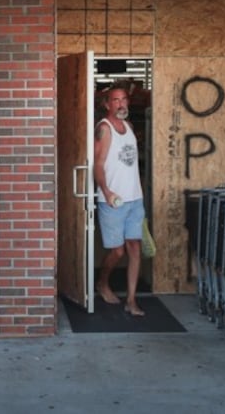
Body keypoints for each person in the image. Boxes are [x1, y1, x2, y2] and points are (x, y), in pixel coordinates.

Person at [93, 85, 146, 316]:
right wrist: (106, 190)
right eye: (116, 100)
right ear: (107, 104)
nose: (121, 104)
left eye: (124, 99)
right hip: (112, 200)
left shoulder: (130, 127)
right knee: (118, 252)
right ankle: (102, 282)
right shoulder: (104, 129)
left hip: (135, 199)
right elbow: (98, 164)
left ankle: (131, 300)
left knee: (135, 248)